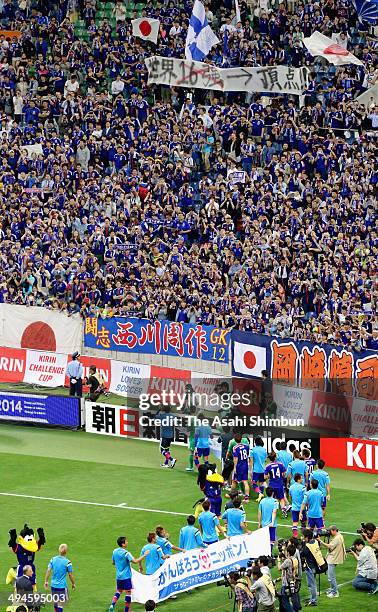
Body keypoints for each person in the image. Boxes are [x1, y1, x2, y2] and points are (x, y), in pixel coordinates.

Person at [109, 536, 149, 612]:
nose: (127, 542)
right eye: (126, 541)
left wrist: (119, 563)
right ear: (123, 544)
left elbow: (113, 562)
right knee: (128, 592)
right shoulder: (126, 553)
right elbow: (135, 561)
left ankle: (112, 605)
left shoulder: (114, 551)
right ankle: (127, 610)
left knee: (119, 591)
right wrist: (144, 555)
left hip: (119, 576)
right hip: (126, 576)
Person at [44, 544, 75, 612]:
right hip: (61, 586)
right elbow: (70, 575)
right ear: (66, 551)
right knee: (60, 604)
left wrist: (46, 581)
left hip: (53, 585)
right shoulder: (68, 562)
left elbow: (48, 570)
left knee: (55, 602)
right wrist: (73, 584)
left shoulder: (53, 559)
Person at [318, 525, 346, 598]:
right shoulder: (340, 535)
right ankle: (332, 590)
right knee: (331, 576)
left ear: (334, 530)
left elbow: (329, 546)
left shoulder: (337, 538)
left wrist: (320, 541)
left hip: (333, 559)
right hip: (334, 557)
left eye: (330, 531)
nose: (329, 532)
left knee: (331, 577)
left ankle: (335, 592)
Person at [301, 529, 325, 607]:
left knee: (312, 585)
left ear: (307, 537)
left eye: (304, 536)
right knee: (310, 584)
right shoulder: (315, 542)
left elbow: (302, 554)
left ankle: (314, 600)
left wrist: (303, 544)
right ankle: (312, 598)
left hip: (310, 567)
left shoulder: (308, 546)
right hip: (314, 566)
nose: (303, 538)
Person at [278, 543, 301, 612]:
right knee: (294, 597)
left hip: (287, 583)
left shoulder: (288, 561)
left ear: (288, 552)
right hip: (294, 581)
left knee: (284, 600)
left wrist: (279, 560)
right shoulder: (295, 559)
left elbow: (279, 568)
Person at [258, 486, 279, 552]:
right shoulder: (275, 501)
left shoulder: (262, 501)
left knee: (265, 540)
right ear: (273, 493)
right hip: (272, 525)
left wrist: (259, 523)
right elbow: (274, 512)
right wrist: (272, 522)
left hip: (264, 524)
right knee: (271, 540)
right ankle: (269, 554)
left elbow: (259, 512)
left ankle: (265, 554)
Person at [232, 433, 250, 502]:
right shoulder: (246, 446)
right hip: (245, 465)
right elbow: (247, 455)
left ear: (235, 440)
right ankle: (246, 498)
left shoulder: (235, 448)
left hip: (239, 466)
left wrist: (235, 468)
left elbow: (235, 459)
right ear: (241, 439)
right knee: (245, 481)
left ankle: (232, 495)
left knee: (234, 481)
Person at [250, 436, 267, 502]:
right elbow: (265, 460)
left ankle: (260, 493)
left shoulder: (252, 450)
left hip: (256, 470)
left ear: (255, 443)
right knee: (261, 483)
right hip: (263, 470)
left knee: (254, 483)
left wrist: (250, 470)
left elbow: (251, 461)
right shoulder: (264, 450)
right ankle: (261, 496)